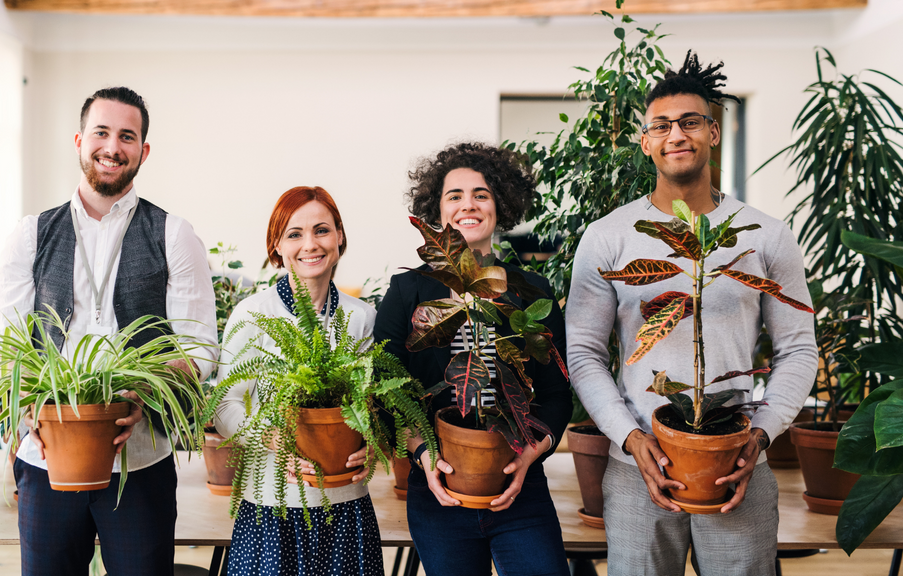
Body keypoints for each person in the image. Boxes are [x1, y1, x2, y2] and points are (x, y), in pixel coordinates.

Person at [565, 51, 819, 576]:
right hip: (638, 465)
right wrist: (630, 439)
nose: (675, 134)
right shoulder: (608, 236)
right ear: (645, 141)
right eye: (661, 125)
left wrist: (761, 434)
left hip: (735, 465)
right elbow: (584, 353)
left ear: (713, 132)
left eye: (689, 122)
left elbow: (798, 348)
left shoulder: (764, 235)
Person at [0, 86, 218, 576]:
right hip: (46, 457)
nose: (112, 147)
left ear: (143, 150)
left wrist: (142, 394)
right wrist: (29, 403)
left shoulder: (174, 234)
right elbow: (4, 344)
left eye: (127, 136)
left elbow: (199, 348)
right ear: (78, 140)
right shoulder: (30, 234)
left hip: (140, 461)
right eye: (101, 132)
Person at [373, 142, 572, 576]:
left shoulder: (531, 291)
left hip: (521, 487)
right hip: (438, 489)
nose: (469, 205)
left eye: (481, 194)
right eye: (455, 196)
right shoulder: (408, 293)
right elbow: (386, 388)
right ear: (437, 211)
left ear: (500, 205)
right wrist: (423, 454)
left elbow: (557, 396)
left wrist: (527, 460)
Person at [215, 186, 383, 576]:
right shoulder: (253, 312)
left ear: (339, 237)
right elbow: (224, 405)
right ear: (277, 246)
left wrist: (374, 441)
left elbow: (376, 403)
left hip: (346, 505)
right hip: (271, 510)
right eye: (294, 234)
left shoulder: (362, 317)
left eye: (322, 230)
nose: (310, 244)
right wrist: (272, 437)